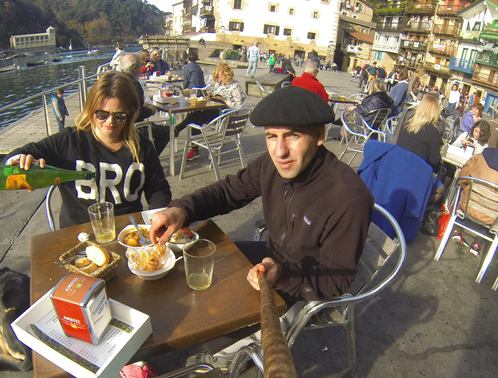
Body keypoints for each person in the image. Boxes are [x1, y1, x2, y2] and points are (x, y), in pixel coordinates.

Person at [149, 87, 374, 304]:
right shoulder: (270, 164)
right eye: (271, 136)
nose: (279, 151)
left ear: (319, 135)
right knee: (191, 268)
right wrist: (181, 210)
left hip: (302, 283)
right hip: (270, 256)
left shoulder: (349, 198)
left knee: (212, 314)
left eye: (292, 135)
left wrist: (282, 276)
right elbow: (227, 191)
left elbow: (336, 279)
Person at [6, 71, 172, 228]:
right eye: (102, 114)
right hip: (78, 234)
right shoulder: (69, 141)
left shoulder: (142, 146)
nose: (110, 121)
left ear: (131, 114)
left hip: (128, 232)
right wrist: (20, 161)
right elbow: (15, 158)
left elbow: (158, 189)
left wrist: (156, 216)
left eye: (120, 116)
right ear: (91, 111)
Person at [175, 62, 245, 161]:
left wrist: (224, 100)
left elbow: (239, 105)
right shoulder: (219, 84)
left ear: (227, 74)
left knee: (195, 115)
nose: (219, 80)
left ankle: (180, 132)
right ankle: (192, 146)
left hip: (225, 115)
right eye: (218, 78)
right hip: (214, 111)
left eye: (221, 77)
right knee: (195, 115)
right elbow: (215, 96)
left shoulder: (234, 85)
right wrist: (211, 97)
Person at [458, 129, 498, 225]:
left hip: (468, 207)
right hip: (493, 219)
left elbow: (461, 179)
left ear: (497, 143)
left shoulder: (479, 158)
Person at [118, 53, 171, 156]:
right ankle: (149, 159)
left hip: (120, 124)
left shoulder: (118, 79)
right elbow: (138, 113)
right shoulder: (134, 84)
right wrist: (151, 110)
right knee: (166, 131)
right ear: (134, 67)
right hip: (134, 127)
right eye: (140, 66)